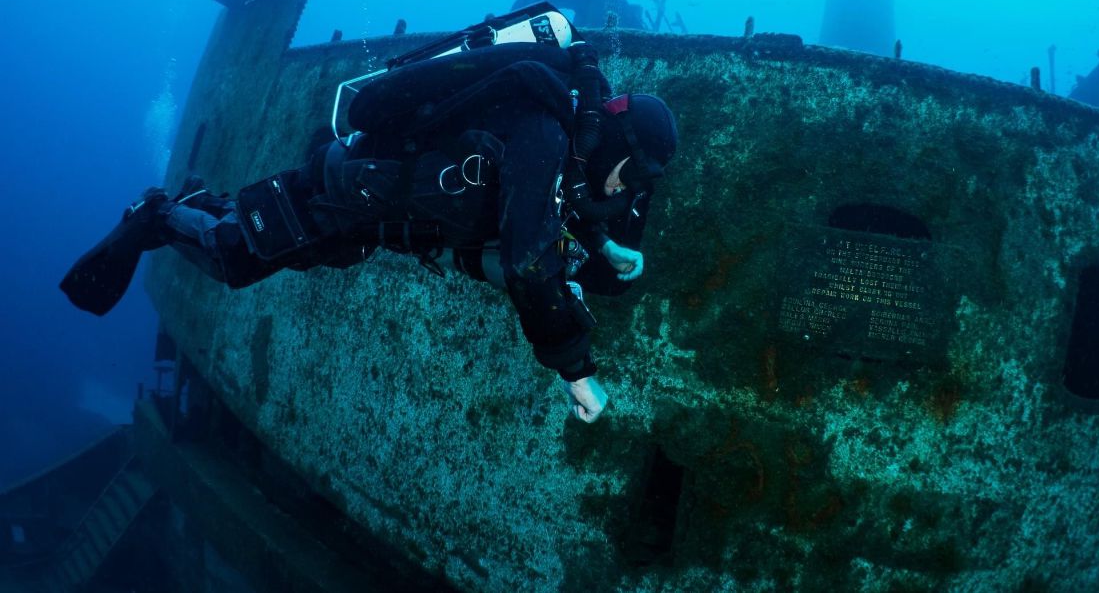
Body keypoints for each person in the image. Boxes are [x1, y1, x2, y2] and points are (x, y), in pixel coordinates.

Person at [61, 31, 677, 425]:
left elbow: (556, 205)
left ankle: (202, 202)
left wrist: (605, 241)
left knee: (261, 245)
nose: (628, 188)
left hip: (363, 221)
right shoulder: (545, 132)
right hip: (340, 193)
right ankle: (159, 213)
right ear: (616, 140)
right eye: (633, 171)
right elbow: (529, 258)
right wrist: (577, 373)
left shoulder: (560, 146)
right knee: (235, 259)